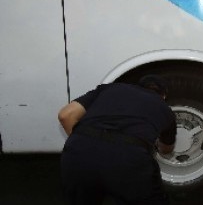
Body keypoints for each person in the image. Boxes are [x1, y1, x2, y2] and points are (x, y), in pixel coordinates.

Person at [58, 75, 176, 205]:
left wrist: (84, 144)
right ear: (163, 96)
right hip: (128, 158)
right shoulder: (165, 110)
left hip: (78, 154)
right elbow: (166, 149)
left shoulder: (108, 89)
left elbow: (65, 115)